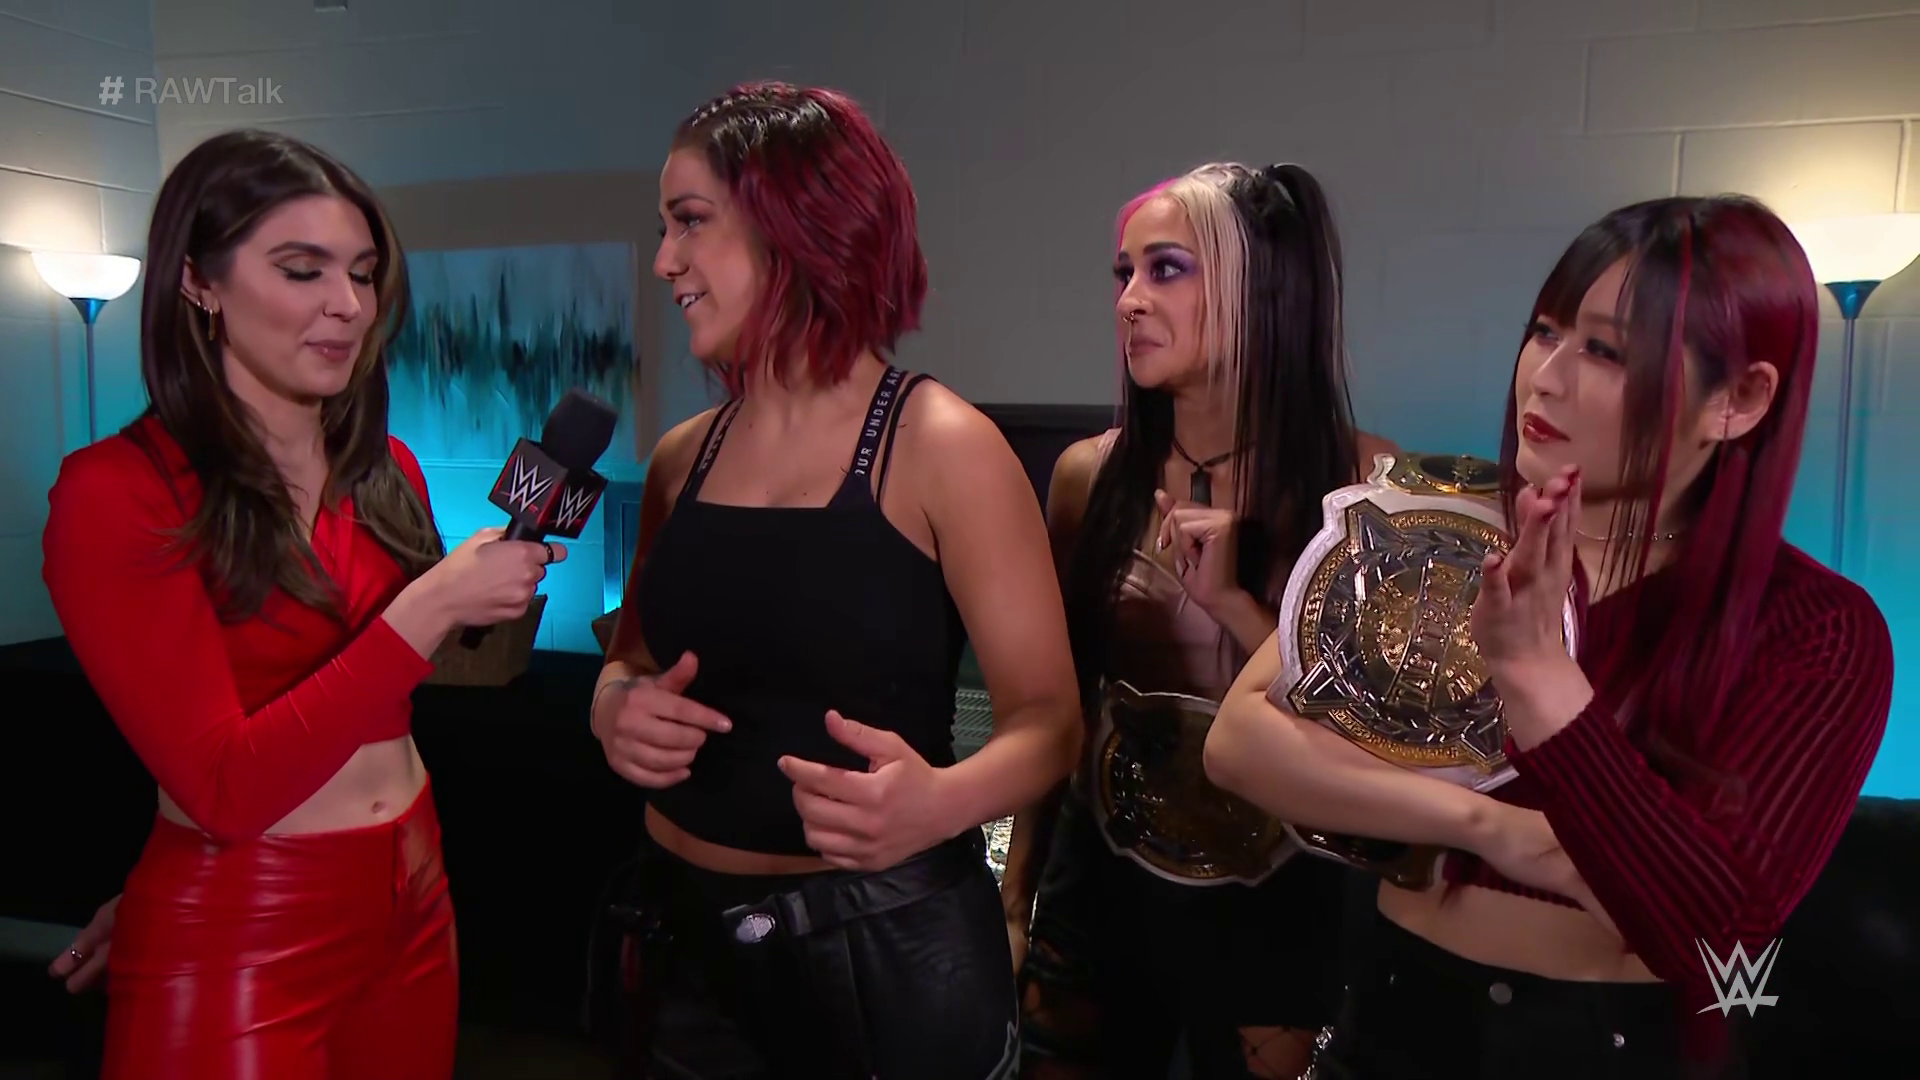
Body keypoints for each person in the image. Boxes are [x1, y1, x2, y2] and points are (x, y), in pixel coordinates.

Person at [1203, 194, 1895, 1079]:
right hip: (1390, 1008)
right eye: (1544, 332)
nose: (1545, 377)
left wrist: (1541, 679)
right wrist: (1498, 832)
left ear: (1739, 399)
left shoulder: (1819, 629)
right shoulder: (1435, 529)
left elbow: (1716, 935)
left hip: (1607, 1045)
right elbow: (1240, 741)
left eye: (1606, 351)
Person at [41, 128, 562, 1080]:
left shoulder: (387, 468)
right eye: (301, 270)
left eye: (362, 274)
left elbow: (399, 687)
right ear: (197, 280)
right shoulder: (116, 492)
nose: (348, 306)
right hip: (243, 918)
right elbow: (225, 791)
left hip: (415, 895)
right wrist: (428, 608)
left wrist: (484, 598)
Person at [590, 81, 1083, 1080]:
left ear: (793, 225)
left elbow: (1051, 723)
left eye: (690, 221)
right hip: (678, 950)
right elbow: (629, 657)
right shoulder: (683, 456)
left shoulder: (942, 446)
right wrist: (612, 707)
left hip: (882, 958)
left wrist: (942, 803)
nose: (665, 261)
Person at [1001, 162, 1395, 1080]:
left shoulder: (1365, 490)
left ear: (1261, 290)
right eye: (1124, 273)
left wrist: (1240, 609)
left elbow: (1376, 743)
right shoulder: (1089, 475)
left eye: (1167, 269)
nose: (1129, 301)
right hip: (1100, 885)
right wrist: (1015, 896)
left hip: (1283, 897)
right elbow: (1057, 708)